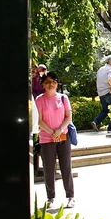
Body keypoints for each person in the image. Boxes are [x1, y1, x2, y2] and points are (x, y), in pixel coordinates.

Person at [35, 71, 74, 210]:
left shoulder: (63, 98)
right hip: (47, 139)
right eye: (47, 82)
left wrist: (59, 130)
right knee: (49, 169)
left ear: (57, 84)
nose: (50, 84)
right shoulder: (39, 99)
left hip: (63, 137)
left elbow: (68, 117)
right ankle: (50, 198)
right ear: (43, 85)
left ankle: (70, 196)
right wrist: (52, 133)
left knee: (66, 167)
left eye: (53, 82)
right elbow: (39, 120)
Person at [91, 56, 111, 133]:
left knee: (105, 110)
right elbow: (110, 79)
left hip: (101, 93)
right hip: (109, 92)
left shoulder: (100, 69)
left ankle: (96, 122)